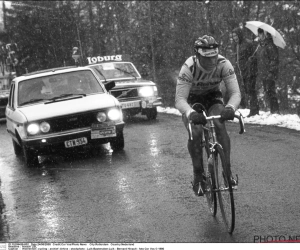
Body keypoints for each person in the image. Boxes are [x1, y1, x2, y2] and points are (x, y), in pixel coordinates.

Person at [175, 35, 241, 196]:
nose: (212, 62)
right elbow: (179, 100)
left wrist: (230, 108)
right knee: (195, 132)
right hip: (192, 99)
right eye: (207, 58)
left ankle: (227, 173)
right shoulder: (188, 67)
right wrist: (190, 113)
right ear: (197, 55)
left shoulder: (224, 63)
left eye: (214, 57)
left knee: (219, 123)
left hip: (213, 96)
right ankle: (198, 175)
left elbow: (235, 93)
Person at [232, 27, 260, 117]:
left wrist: (251, 63)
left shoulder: (248, 43)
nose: (235, 38)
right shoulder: (238, 45)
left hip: (250, 70)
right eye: (233, 36)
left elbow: (255, 56)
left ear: (239, 35)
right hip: (243, 71)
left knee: (251, 89)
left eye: (236, 35)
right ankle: (253, 108)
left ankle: (254, 110)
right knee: (248, 90)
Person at [257, 28, 280, 114]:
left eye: (261, 34)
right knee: (268, 92)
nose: (259, 36)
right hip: (264, 73)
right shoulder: (261, 46)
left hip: (270, 73)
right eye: (259, 34)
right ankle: (272, 110)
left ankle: (275, 111)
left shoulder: (271, 46)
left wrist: (271, 72)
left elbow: (274, 60)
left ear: (265, 34)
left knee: (271, 92)